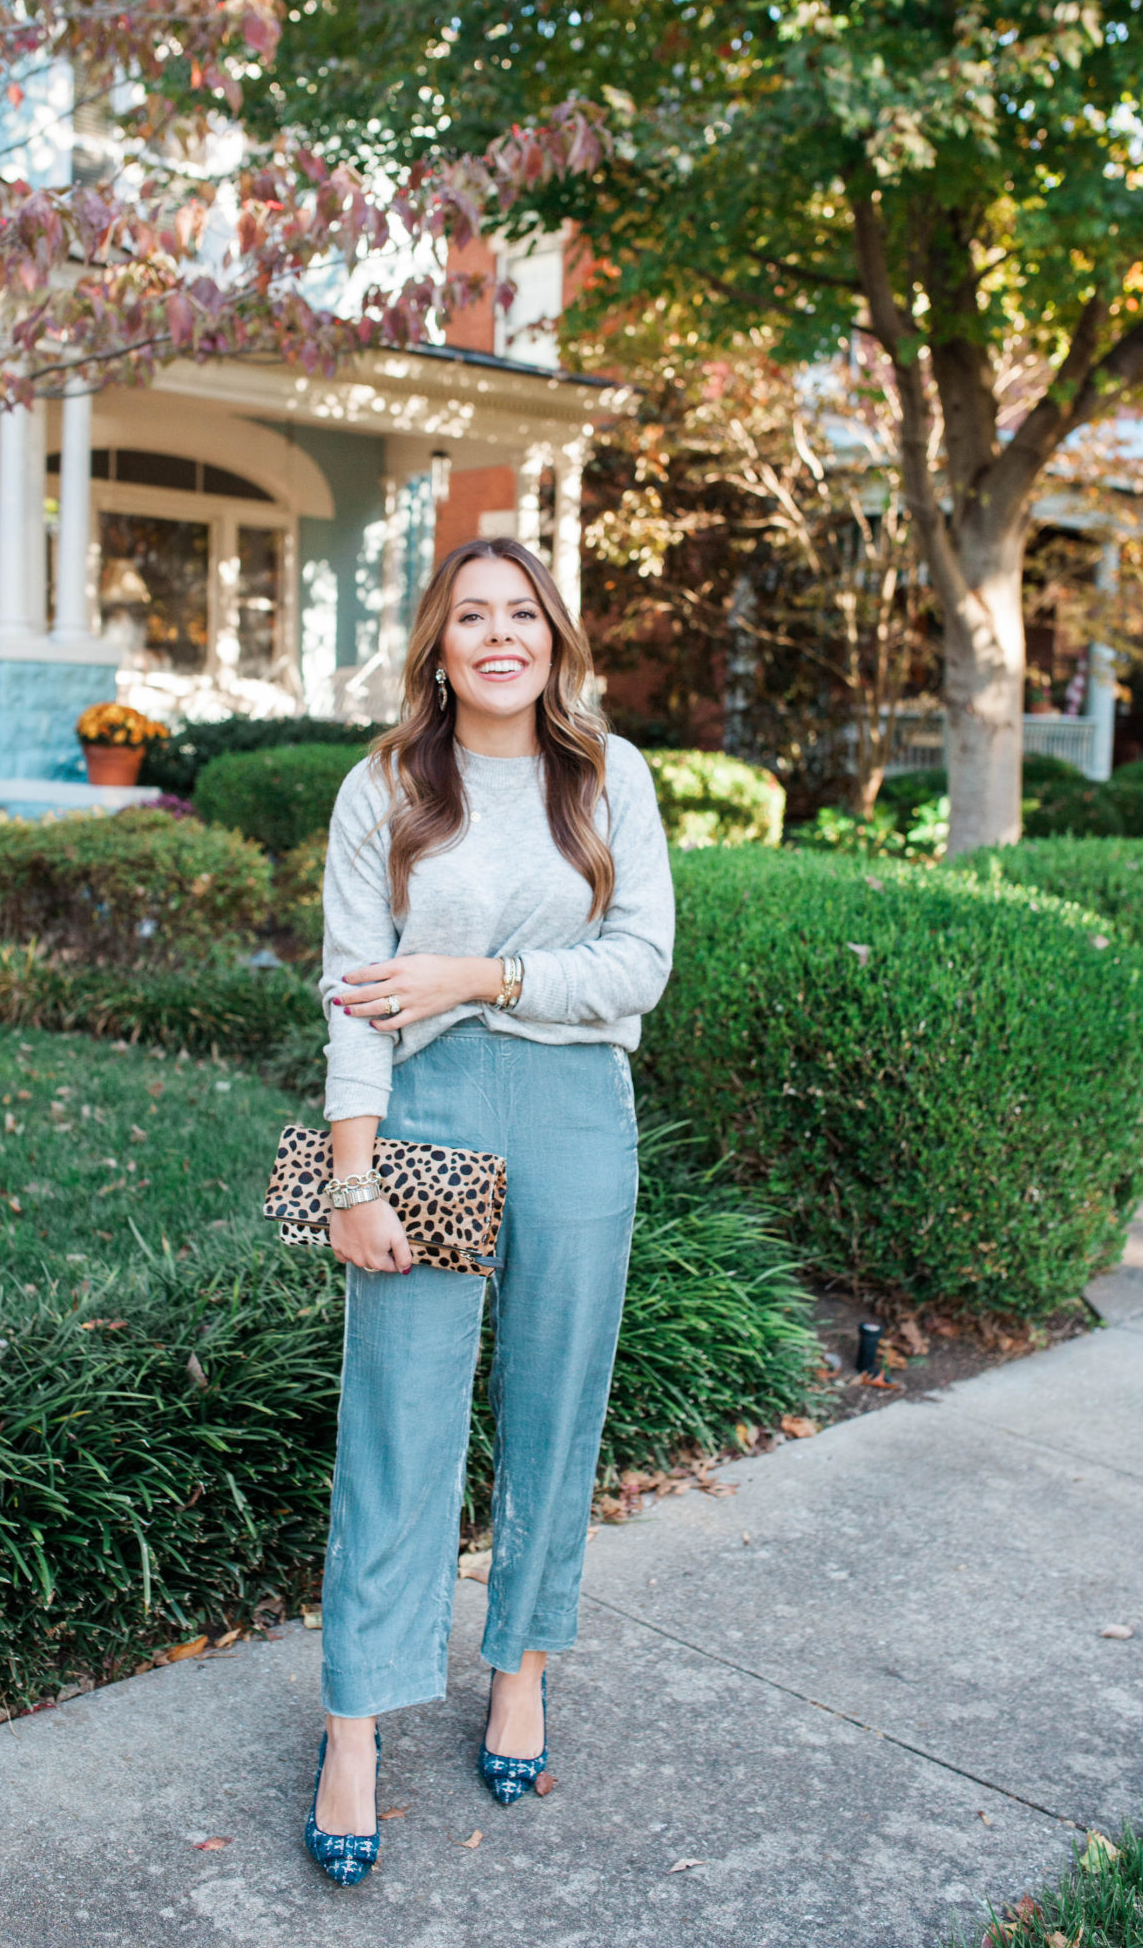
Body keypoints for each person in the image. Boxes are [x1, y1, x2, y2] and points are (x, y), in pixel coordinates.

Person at [305, 535, 675, 1886]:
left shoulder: (608, 776)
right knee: (398, 1420)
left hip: (577, 1115)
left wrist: (475, 972)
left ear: (555, 637)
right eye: (474, 615)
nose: (500, 635)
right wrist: (352, 1176)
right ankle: (356, 1726)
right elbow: (356, 996)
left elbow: (641, 966)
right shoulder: (388, 785)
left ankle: (519, 1664)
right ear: (440, 643)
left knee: (553, 1404)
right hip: (428, 1111)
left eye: (524, 613)